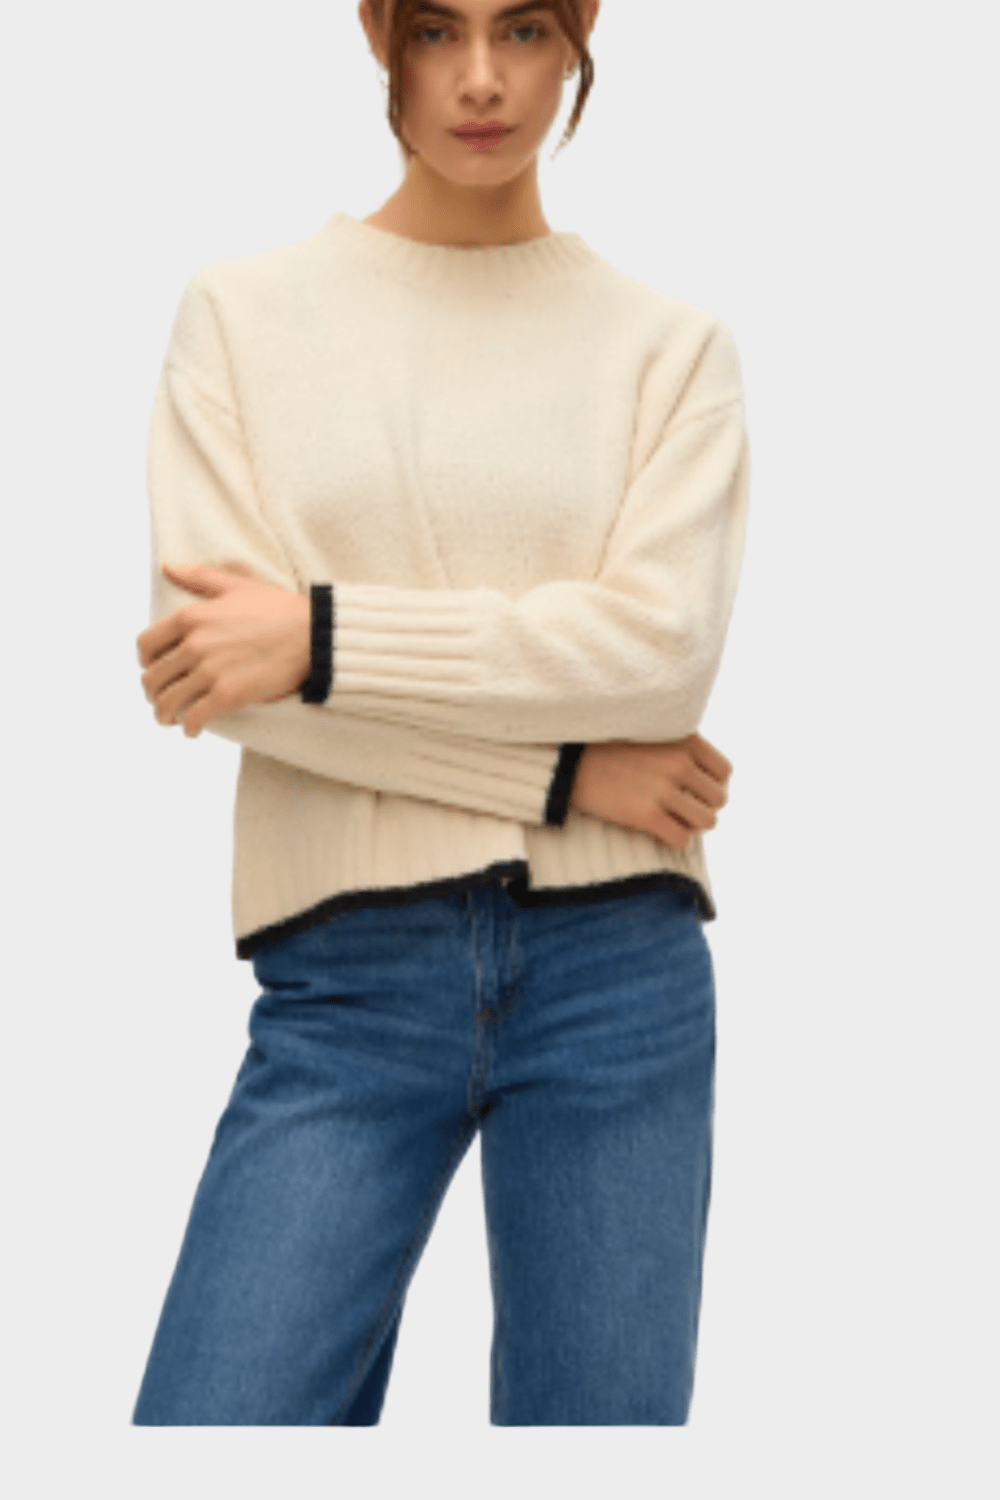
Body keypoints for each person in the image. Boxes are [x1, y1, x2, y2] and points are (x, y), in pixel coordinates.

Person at [130, 0, 750, 1426]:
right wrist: (562, 774)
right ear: (377, 35)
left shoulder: (669, 348)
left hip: (619, 975)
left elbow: (658, 656)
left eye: (522, 29)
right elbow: (218, 677)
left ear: (579, 36)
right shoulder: (241, 318)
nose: (481, 79)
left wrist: (320, 636)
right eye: (437, 30)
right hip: (347, 979)